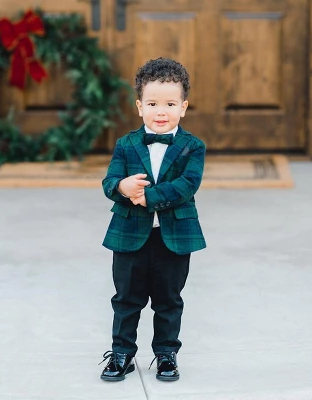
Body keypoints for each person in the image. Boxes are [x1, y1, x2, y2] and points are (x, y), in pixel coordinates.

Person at [99, 57, 206, 382]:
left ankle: (166, 354)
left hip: (173, 237)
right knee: (126, 299)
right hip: (129, 235)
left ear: (183, 107)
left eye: (170, 104)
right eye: (153, 103)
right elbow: (109, 181)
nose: (161, 111)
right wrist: (122, 186)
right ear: (139, 106)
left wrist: (149, 196)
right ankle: (122, 353)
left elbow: (188, 185)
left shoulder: (193, 147)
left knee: (169, 300)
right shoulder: (126, 144)